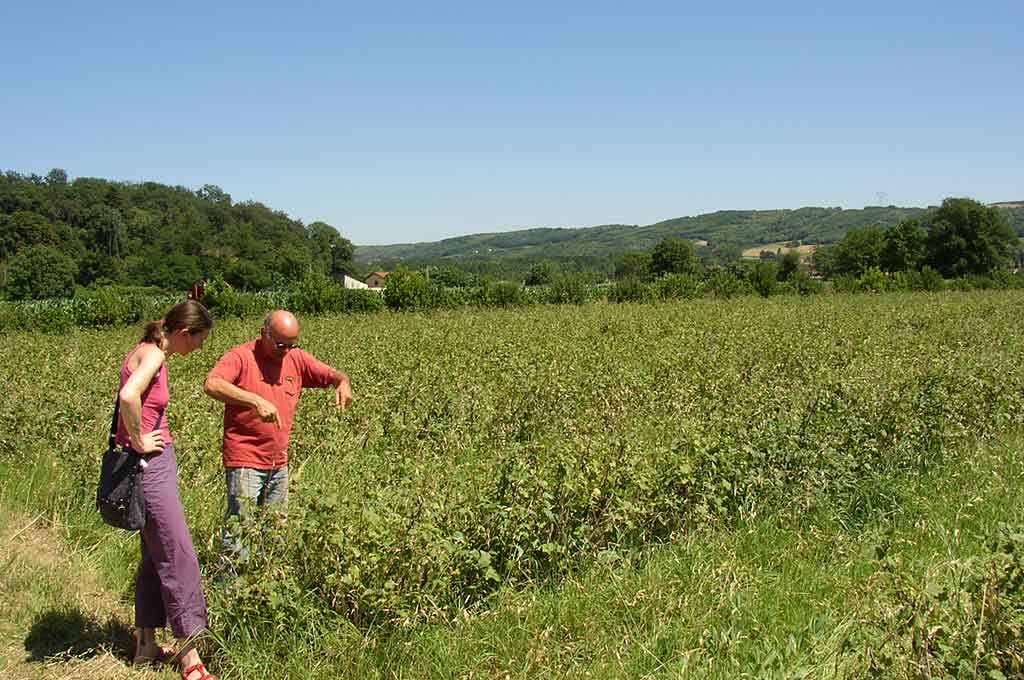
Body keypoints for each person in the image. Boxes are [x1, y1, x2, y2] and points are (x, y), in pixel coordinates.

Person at [116, 300, 217, 680]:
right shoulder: (156, 356)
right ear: (184, 333)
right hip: (150, 466)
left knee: (153, 553)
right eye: (200, 342)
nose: (199, 350)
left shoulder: (141, 349)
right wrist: (141, 440)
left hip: (140, 464)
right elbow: (129, 397)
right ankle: (191, 658)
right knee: (178, 555)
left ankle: (145, 645)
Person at [203, 309, 353, 562]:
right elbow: (212, 384)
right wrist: (254, 400)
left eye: (292, 345)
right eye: (282, 344)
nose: (286, 351)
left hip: (278, 462)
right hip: (245, 460)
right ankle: (227, 591)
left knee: (275, 531)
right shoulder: (240, 357)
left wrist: (342, 381)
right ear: (265, 334)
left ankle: (262, 582)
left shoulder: (295, 358)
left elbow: (330, 373)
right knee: (241, 527)